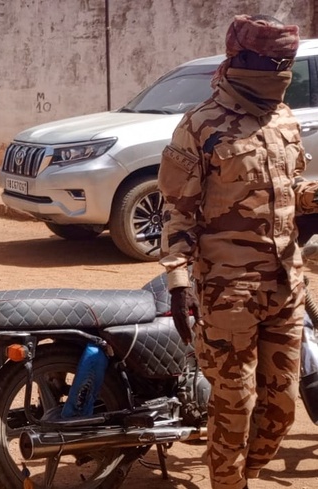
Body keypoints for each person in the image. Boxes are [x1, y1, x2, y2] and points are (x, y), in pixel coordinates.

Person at [158, 15, 317, 489]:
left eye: (286, 63)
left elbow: (288, 191)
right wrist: (179, 285)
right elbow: (177, 214)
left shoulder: (284, 119)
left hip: (286, 285)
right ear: (243, 60)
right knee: (234, 403)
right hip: (229, 291)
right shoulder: (201, 125)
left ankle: (240, 477)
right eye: (273, 62)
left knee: (282, 409)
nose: (281, 71)